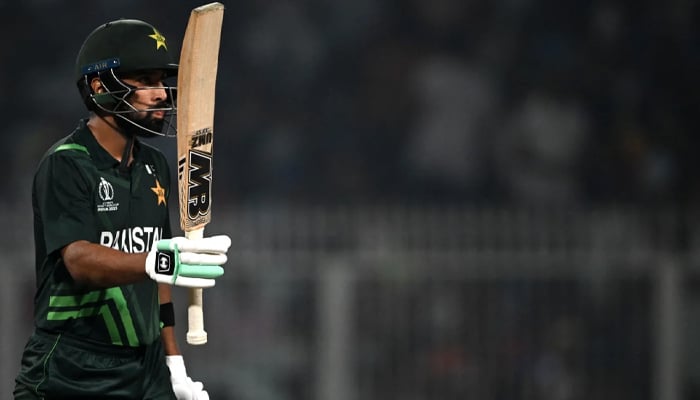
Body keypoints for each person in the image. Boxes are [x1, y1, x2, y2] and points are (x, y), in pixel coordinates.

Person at [13, 18, 230, 400]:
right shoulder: (67, 163)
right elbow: (78, 260)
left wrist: (173, 363)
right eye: (145, 80)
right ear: (100, 87)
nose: (162, 93)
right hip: (73, 367)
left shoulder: (155, 166)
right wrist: (158, 261)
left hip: (145, 368)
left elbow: (158, 279)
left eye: (163, 80)